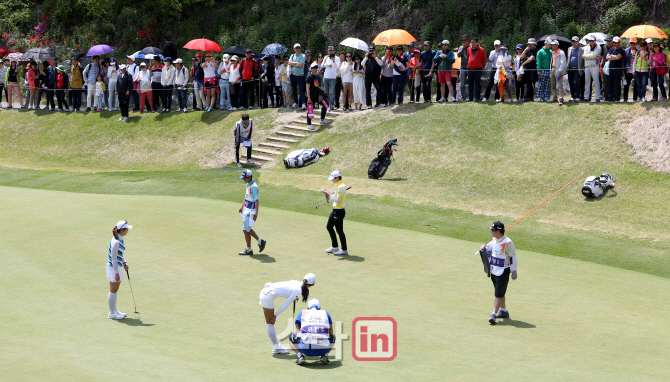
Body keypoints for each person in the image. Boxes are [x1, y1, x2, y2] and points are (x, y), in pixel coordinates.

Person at [259, 273, 317, 355]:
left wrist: (294, 296)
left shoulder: (296, 282)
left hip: (265, 292)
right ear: (311, 285)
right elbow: (286, 304)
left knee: (270, 323)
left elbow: (285, 290)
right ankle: (276, 347)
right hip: (267, 296)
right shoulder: (299, 290)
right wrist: (275, 316)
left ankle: (276, 347)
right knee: (270, 323)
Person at [479, 221, 517, 325]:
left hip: (503, 271)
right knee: (500, 293)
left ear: (498, 231)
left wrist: (514, 271)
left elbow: (513, 256)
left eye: (493, 230)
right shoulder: (494, 240)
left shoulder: (508, 243)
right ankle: (504, 311)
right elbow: (490, 249)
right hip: (494, 270)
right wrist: (484, 248)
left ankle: (493, 314)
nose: (491, 232)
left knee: (498, 294)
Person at [290, 298, 335, 365]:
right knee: (333, 337)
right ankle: (324, 356)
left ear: (308, 308)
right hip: (323, 349)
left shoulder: (302, 312)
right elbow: (331, 331)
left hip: (305, 349)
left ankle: (300, 356)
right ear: (319, 308)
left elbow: (297, 332)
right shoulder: (326, 313)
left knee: (292, 337)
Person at [106, 220, 133, 320]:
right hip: (114, 268)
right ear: (122, 230)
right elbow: (113, 258)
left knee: (115, 290)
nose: (127, 231)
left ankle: (114, 310)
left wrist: (124, 262)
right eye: (126, 229)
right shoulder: (116, 242)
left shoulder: (119, 239)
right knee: (113, 290)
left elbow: (119, 255)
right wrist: (116, 272)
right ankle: (112, 313)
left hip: (117, 267)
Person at [238, 168, 266, 255]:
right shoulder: (248, 184)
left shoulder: (253, 187)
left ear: (250, 177)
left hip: (251, 212)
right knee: (246, 230)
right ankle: (257, 244)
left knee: (246, 229)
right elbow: (247, 197)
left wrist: (256, 214)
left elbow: (256, 200)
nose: (243, 179)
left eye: (245, 178)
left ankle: (252, 247)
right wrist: (242, 206)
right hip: (246, 210)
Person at [322, 170, 347, 256]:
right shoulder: (339, 185)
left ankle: (344, 250)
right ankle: (335, 247)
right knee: (329, 227)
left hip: (339, 211)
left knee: (339, 231)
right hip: (335, 210)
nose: (332, 180)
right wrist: (328, 193)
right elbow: (335, 198)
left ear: (337, 178)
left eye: (333, 178)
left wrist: (329, 194)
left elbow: (337, 200)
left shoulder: (341, 187)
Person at [306, 62, 330, 129]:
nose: (315, 69)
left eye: (316, 68)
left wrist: (320, 94)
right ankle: (309, 124)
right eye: (313, 68)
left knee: (325, 104)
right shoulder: (309, 77)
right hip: (311, 96)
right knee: (311, 109)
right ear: (311, 68)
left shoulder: (317, 75)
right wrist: (308, 97)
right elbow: (307, 87)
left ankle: (322, 119)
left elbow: (317, 86)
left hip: (317, 95)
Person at [583, 35, 602, 102]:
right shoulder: (586, 47)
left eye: (592, 40)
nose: (591, 42)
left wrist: (587, 56)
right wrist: (593, 56)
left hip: (594, 66)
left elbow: (587, 55)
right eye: (590, 40)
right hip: (587, 66)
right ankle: (586, 97)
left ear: (595, 40)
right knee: (587, 82)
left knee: (596, 81)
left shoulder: (598, 47)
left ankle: (597, 97)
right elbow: (585, 55)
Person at [606, 36, 625, 102]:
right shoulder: (611, 49)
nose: (614, 44)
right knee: (610, 83)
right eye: (613, 42)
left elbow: (618, 58)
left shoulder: (622, 50)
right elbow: (607, 57)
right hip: (611, 68)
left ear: (619, 42)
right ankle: (610, 97)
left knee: (617, 83)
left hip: (618, 68)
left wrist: (611, 56)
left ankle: (617, 97)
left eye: (616, 42)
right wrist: (615, 56)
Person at [467, 37, 486, 102]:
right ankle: (470, 98)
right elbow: (468, 56)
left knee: (477, 84)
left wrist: (479, 66)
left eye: (474, 42)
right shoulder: (469, 49)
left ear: (477, 42)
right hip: (470, 69)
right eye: (472, 42)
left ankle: (477, 98)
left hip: (478, 69)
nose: (473, 43)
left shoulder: (481, 50)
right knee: (470, 84)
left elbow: (484, 60)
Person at [566, 36, 584, 102]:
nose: (573, 43)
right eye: (572, 41)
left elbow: (583, 60)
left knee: (576, 82)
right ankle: (573, 96)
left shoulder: (581, 49)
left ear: (578, 42)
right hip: (570, 68)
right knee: (571, 83)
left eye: (574, 41)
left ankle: (578, 96)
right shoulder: (569, 49)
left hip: (577, 69)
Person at [549, 40, 567, 105]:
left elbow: (563, 62)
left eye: (553, 45)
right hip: (553, 69)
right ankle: (554, 97)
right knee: (553, 85)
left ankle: (561, 98)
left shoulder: (561, 52)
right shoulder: (553, 52)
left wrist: (560, 70)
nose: (551, 46)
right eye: (551, 45)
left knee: (559, 85)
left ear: (557, 45)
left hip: (558, 70)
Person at [623, 38, 638, 102]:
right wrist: (623, 70)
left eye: (633, 43)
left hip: (636, 70)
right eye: (631, 43)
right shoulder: (626, 50)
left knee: (636, 85)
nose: (632, 44)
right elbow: (623, 61)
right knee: (626, 85)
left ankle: (635, 98)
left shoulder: (638, 51)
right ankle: (625, 98)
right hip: (628, 70)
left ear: (636, 44)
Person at [457, 35, 470, 101]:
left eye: (465, 40)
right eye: (463, 40)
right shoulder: (461, 47)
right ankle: (463, 97)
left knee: (471, 83)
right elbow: (458, 55)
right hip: (462, 68)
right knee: (462, 84)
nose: (464, 41)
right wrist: (463, 48)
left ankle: (470, 97)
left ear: (468, 40)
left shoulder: (471, 47)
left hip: (470, 68)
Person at [601, 36, 614, 101]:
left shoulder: (615, 48)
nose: (608, 42)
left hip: (613, 68)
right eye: (607, 41)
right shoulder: (604, 49)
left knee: (613, 83)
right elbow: (601, 58)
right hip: (605, 68)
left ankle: (613, 97)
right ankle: (606, 97)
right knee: (605, 83)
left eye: (610, 41)